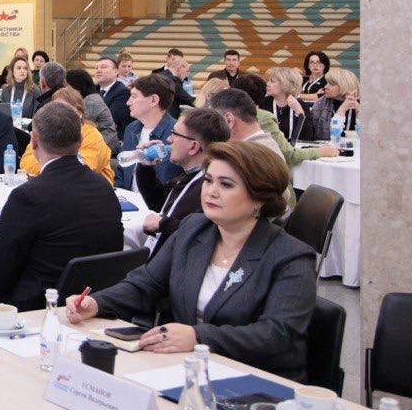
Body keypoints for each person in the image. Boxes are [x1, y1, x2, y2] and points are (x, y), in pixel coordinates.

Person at [66, 141, 316, 381]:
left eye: (226, 184)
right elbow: (146, 283)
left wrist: (198, 336)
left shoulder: (290, 256)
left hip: (258, 382)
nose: (211, 192)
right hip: (189, 369)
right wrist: (96, 302)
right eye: (208, 180)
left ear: (259, 198)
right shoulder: (194, 229)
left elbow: (277, 334)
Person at [0, 102, 123, 313]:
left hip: (35, 306)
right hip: (92, 300)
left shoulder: (29, 195)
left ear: (34, 140)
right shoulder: (104, 188)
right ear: (80, 140)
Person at [137, 108, 230, 257]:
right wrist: (145, 166)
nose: (169, 139)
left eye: (174, 133)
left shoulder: (209, 187)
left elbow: (204, 232)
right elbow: (159, 202)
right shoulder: (189, 175)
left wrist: (162, 224)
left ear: (193, 147)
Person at [19, 87, 113, 184]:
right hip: (52, 185)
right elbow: (26, 163)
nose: (60, 115)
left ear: (80, 113)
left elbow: (81, 169)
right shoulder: (45, 131)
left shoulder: (92, 135)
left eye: (67, 110)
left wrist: (47, 162)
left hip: (91, 188)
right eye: (55, 109)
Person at [118, 74, 177, 189]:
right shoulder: (131, 129)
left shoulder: (177, 134)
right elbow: (122, 170)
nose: (128, 102)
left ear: (153, 100)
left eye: (134, 96)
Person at [65, 68, 121, 155]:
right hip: (99, 142)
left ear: (77, 86)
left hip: (106, 145)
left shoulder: (90, 102)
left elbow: (82, 128)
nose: (65, 90)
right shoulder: (89, 98)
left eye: (67, 86)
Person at [265, 67, 315, 144]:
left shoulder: (301, 105)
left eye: (272, 81)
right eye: (268, 81)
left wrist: (299, 112)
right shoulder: (263, 103)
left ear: (285, 84)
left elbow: (308, 137)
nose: (267, 84)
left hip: (293, 148)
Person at [310, 66, 359, 135]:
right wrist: (342, 109)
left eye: (331, 84)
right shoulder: (320, 103)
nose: (326, 87)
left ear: (344, 86)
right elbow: (325, 133)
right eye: (327, 83)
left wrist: (359, 110)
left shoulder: (362, 103)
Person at [94, 56, 132, 134]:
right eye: (96, 68)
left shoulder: (123, 92)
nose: (98, 70)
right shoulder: (92, 90)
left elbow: (108, 120)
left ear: (116, 71)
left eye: (103, 67)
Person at [153, 50, 195, 118]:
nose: (187, 74)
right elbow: (189, 100)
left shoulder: (158, 76)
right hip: (167, 118)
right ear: (180, 68)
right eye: (187, 71)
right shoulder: (173, 80)